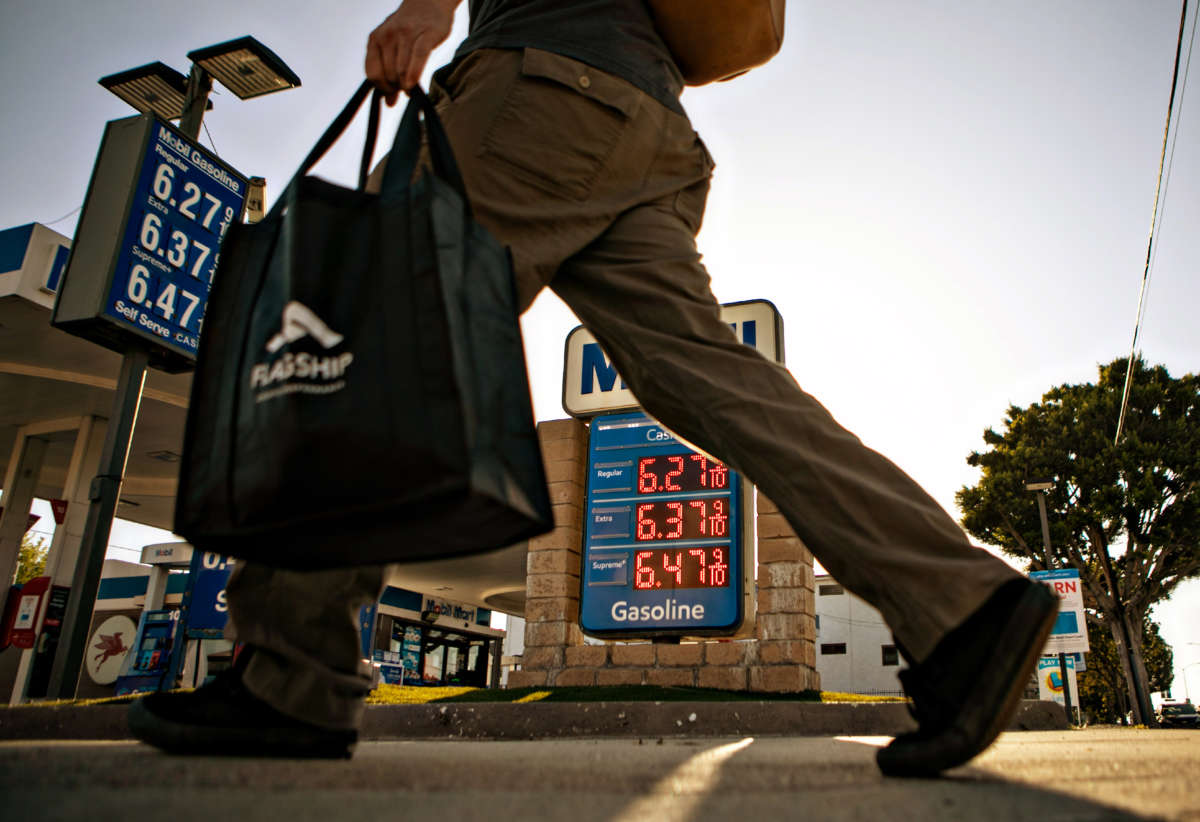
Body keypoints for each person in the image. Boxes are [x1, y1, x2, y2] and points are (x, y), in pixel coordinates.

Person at [129, 0, 1057, 777]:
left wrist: (428, 5)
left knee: (357, 330)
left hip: (536, 97)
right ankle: (963, 607)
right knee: (720, 385)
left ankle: (289, 675)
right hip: (644, 122)